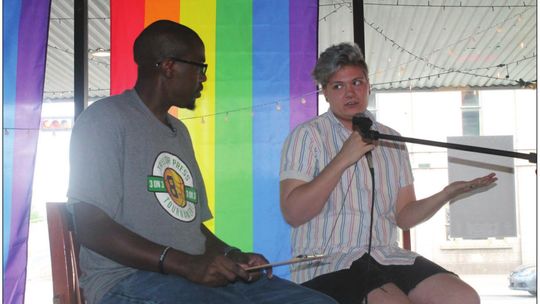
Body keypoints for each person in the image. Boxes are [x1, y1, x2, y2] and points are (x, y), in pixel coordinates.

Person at [67, 20, 337, 304]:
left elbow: (192, 228)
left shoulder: (179, 131)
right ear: (169, 66)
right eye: (200, 66)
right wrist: (184, 264)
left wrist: (232, 255)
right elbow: (90, 224)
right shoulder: (104, 120)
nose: (204, 78)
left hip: (187, 280)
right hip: (127, 282)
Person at [279, 42, 498, 304]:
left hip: (385, 255)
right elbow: (294, 213)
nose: (350, 92)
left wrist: (446, 194)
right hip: (328, 261)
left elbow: (404, 217)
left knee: (462, 297)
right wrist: (343, 159)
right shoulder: (307, 136)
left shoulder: (391, 139)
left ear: (369, 85)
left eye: (357, 82)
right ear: (325, 92)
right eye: (338, 86)